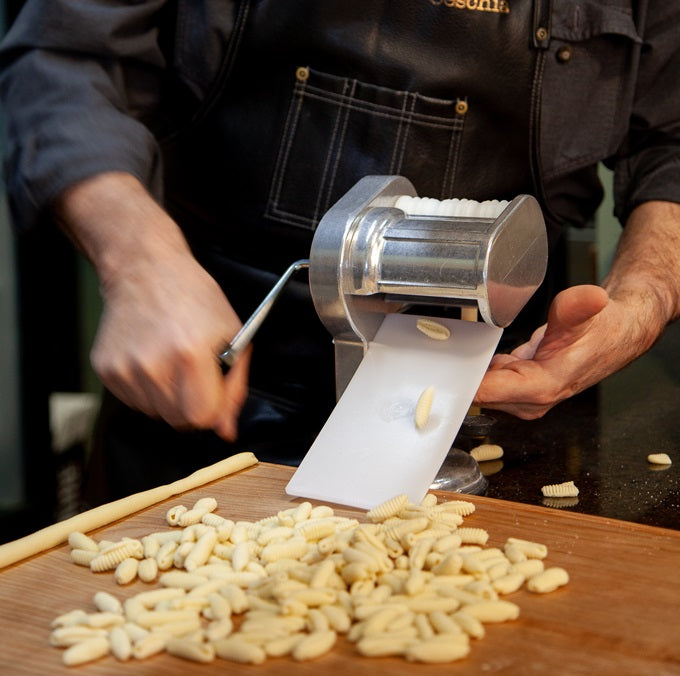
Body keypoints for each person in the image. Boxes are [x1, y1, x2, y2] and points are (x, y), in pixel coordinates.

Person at [1, 1, 679, 502]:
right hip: (208, 398)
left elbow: (671, 141)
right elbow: (64, 60)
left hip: (500, 413)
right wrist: (140, 262)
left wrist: (640, 302)